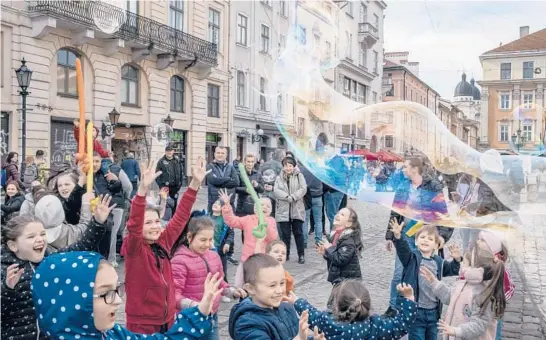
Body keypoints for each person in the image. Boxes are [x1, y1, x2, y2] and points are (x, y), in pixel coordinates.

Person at [30, 251, 224, 339]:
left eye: (117, 290)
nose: (118, 300)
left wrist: (199, 311)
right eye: (106, 293)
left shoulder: (111, 333)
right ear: (73, 303)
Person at [0, 195, 111, 339]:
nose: (39, 239)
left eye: (42, 234)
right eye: (31, 236)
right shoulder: (4, 270)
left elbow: (81, 247)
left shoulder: (50, 262)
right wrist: (7, 288)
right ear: (13, 245)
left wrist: (97, 222)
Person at [120, 158, 208, 334]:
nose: (155, 226)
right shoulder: (134, 247)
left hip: (167, 318)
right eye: (149, 223)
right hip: (143, 322)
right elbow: (134, 225)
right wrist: (142, 190)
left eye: (157, 221)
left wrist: (194, 184)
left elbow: (181, 217)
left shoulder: (163, 242)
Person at [384, 157, 453, 317]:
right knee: (398, 273)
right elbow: (395, 212)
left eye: (406, 167)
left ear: (415, 169)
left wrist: (442, 236)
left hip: (426, 237)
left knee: (425, 274)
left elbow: (443, 213)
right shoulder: (403, 187)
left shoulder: (433, 186)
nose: (403, 169)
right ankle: (393, 308)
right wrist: (390, 236)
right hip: (405, 235)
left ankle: (422, 309)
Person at [171, 215, 247, 340]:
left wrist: (232, 291)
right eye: (203, 240)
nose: (207, 244)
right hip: (190, 319)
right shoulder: (179, 261)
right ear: (189, 237)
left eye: (210, 240)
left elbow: (220, 282)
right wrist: (195, 305)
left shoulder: (214, 256)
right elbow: (174, 295)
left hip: (212, 315)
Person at [390, 221, 462, 340]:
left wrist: (457, 259)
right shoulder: (412, 258)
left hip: (433, 313)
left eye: (430, 239)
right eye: (422, 237)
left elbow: (452, 270)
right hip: (416, 312)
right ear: (416, 242)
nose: (425, 240)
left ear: (436, 245)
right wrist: (398, 236)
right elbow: (403, 250)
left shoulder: (438, 261)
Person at [420, 243, 507, 340]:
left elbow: (479, 325)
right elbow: (449, 296)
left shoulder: (484, 294)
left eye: (464, 264)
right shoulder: (462, 283)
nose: (461, 266)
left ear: (476, 270)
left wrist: (456, 331)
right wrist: (434, 282)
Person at [284, 281, 417, 340]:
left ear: (336, 305)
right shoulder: (375, 326)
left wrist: (296, 301)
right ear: (367, 305)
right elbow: (401, 324)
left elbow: (311, 314)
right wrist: (409, 299)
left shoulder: (325, 322)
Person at [228, 253, 307, 340]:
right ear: (250, 289)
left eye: (282, 283)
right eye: (272, 285)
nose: (280, 291)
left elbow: (296, 335)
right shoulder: (246, 323)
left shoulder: (287, 309)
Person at [219, 189, 278, 288]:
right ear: (255, 209)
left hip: (263, 261)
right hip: (247, 259)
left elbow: (273, 238)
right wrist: (227, 205)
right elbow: (232, 221)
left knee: (259, 286)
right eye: (262, 205)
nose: (264, 207)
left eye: (268, 206)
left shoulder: (271, 221)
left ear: (270, 211)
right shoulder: (248, 219)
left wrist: (264, 222)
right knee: (241, 285)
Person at [206, 146, 240, 265]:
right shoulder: (210, 166)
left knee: (230, 227)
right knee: (213, 227)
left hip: (228, 203)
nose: (220, 155)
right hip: (214, 202)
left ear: (226, 155)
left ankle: (229, 252)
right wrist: (227, 180)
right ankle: (212, 251)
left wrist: (220, 180)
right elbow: (211, 180)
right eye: (218, 152)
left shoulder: (231, 167)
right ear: (214, 153)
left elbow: (236, 182)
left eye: (223, 153)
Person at [316, 207, 363, 286]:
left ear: (348, 223)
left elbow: (340, 259)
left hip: (349, 282)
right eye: (338, 213)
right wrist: (325, 253)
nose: (338, 215)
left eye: (342, 215)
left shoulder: (348, 240)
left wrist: (329, 248)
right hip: (339, 279)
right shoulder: (336, 235)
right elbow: (334, 256)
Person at [274, 156, 307, 264]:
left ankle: (301, 255)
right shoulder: (279, 178)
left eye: (290, 166)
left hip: (296, 208)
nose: (288, 168)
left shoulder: (299, 176)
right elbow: (276, 190)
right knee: (285, 234)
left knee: (298, 232)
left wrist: (293, 196)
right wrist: (286, 197)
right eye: (286, 166)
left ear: (293, 166)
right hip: (284, 209)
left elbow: (303, 189)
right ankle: (285, 254)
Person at [210, 200, 234, 289]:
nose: (216, 205)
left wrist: (227, 243)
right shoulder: (206, 216)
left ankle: (225, 290)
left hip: (220, 249)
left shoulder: (225, 220)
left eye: (219, 204)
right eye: (215, 203)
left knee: (222, 270)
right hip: (208, 248)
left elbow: (231, 233)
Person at [300, 163, 324, 248]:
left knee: (305, 220)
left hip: (306, 197)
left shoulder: (302, 169)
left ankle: (304, 241)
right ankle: (319, 241)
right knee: (318, 220)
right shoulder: (319, 169)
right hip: (318, 196)